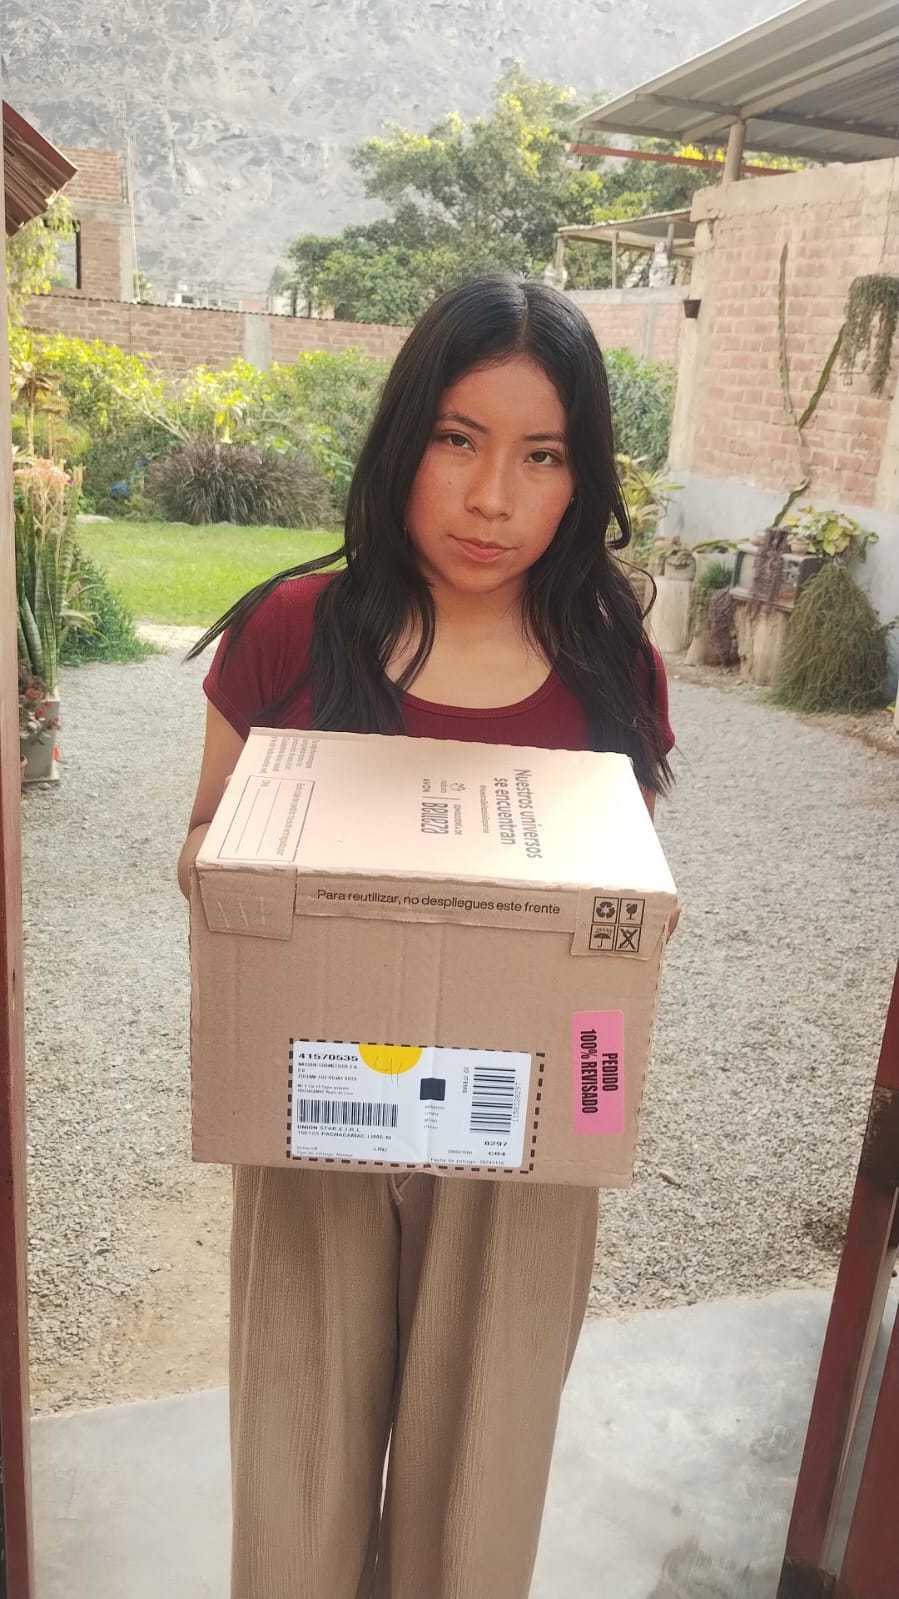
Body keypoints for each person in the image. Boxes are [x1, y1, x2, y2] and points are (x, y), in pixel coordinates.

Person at [177, 273, 676, 1599]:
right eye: (459, 439)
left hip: (521, 1143)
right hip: (319, 1111)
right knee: (300, 1458)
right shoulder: (293, 634)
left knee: (480, 1476)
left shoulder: (610, 662)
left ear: (582, 479)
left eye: (542, 455)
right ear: (405, 439)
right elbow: (206, 846)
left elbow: (616, 921)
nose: (492, 497)